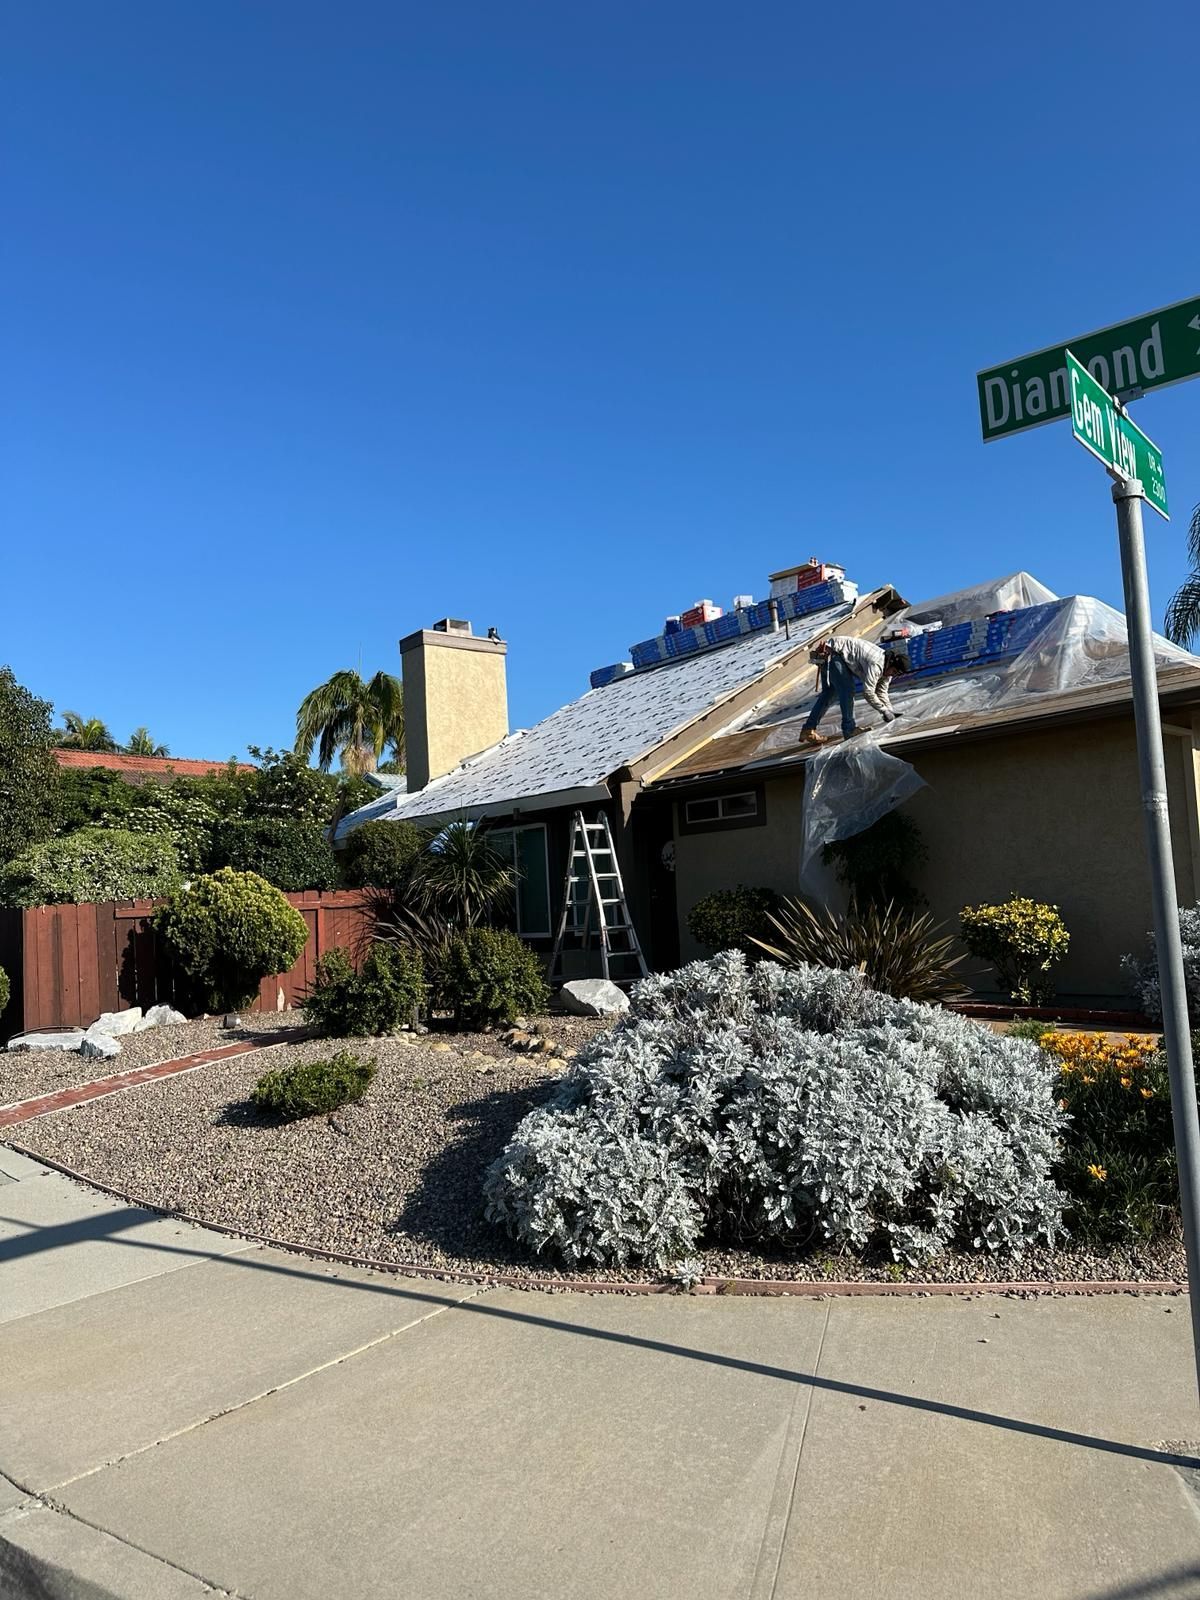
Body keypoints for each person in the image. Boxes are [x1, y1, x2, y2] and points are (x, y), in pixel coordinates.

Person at [800, 636, 906, 745]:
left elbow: (881, 692)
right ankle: (849, 729)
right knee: (847, 690)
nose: (891, 675)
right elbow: (868, 692)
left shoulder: (888, 669)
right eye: (893, 672)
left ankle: (808, 729)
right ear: (891, 663)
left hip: (832, 653)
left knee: (829, 693)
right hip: (832, 653)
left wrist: (889, 710)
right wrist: (884, 711)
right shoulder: (877, 664)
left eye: (895, 674)